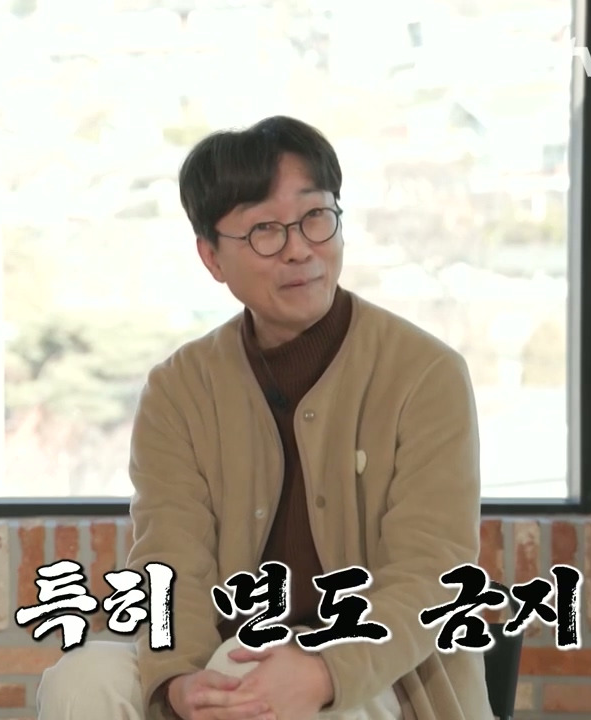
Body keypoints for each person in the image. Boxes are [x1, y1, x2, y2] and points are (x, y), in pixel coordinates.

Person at [36, 116, 491, 720]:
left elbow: (433, 572)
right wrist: (177, 679)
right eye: (265, 231)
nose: (300, 248)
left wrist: (323, 671)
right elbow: (169, 560)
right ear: (212, 257)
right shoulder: (179, 387)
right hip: (223, 654)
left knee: (261, 686)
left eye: (315, 216)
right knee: (83, 680)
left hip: (374, 670)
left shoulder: (425, 373)